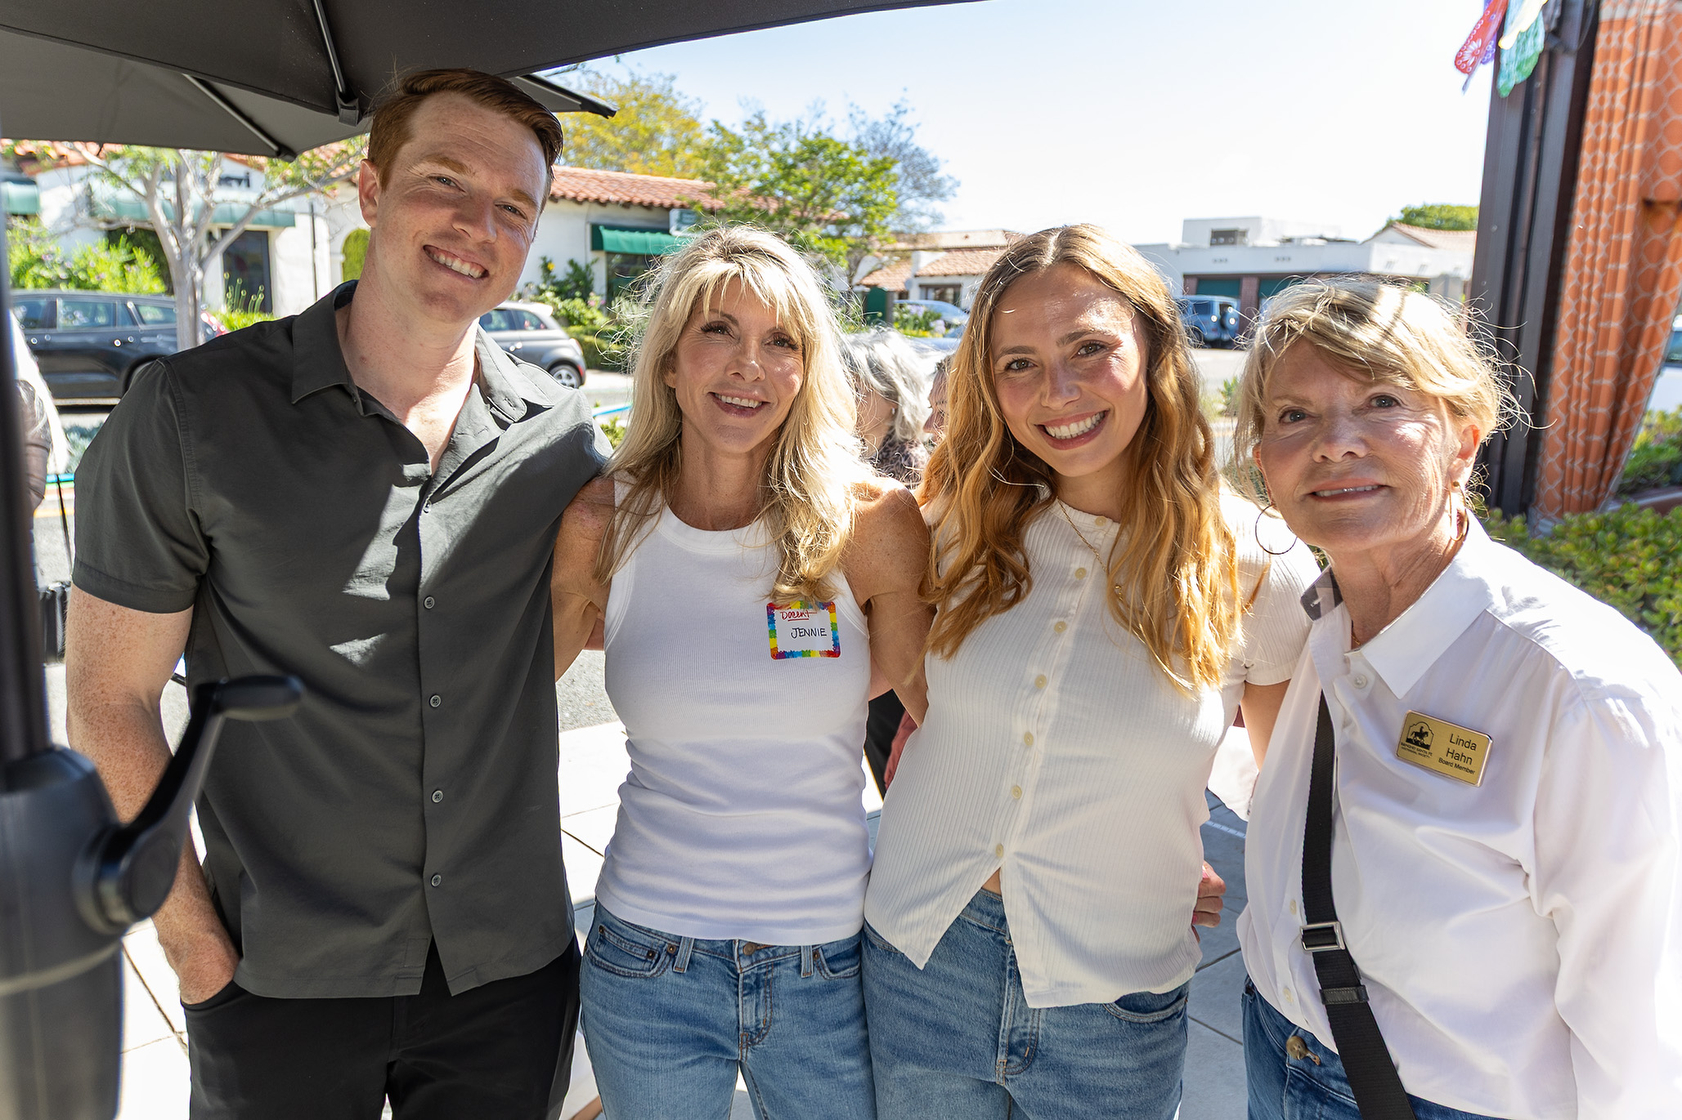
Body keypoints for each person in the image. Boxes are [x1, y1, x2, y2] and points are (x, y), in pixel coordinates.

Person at [65, 69, 606, 1120]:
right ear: (368, 190)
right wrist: (192, 944)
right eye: (443, 181)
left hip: (508, 973)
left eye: (512, 207)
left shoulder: (561, 441)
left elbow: (546, 645)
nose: (473, 225)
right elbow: (106, 700)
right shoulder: (189, 413)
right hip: (276, 975)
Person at [862, 224, 1320, 1119]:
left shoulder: (1260, 563)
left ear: (1155, 350)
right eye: (1018, 363)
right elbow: (920, 695)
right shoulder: (950, 522)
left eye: (1089, 348)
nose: (1057, 391)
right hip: (918, 955)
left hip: (1112, 998)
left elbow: (1280, 794)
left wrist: (1154, 817)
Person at [1234, 280, 1682, 1118]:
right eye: (1294, 415)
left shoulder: (1582, 691)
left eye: (1381, 401)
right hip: (1275, 1044)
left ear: (1464, 441)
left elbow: (1644, 1034)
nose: (1334, 444)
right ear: (1264, 462)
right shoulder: (1322, 623)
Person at [549, 226, 931, 1119]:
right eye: (718, 331)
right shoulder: (604, 522)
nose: (747, 365)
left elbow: (934, 708)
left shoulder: (873, 521)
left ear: (808, 371)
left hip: (824, 963)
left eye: (781, 341)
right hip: (647, 956)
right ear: (671, 361)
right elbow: (502, 698)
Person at [841, 329, 931, 794]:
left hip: (901, 664)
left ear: (893, 398)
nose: (841, 393)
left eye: (856, 384)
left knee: (903, 784)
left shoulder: (904, 477)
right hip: (870, 658)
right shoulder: (856, 460)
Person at [842, 328, 930, 485]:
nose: (846, 401)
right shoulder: (846, 448)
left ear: (893, 396)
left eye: (857, 391)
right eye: (841, 389)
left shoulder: (909, 462)